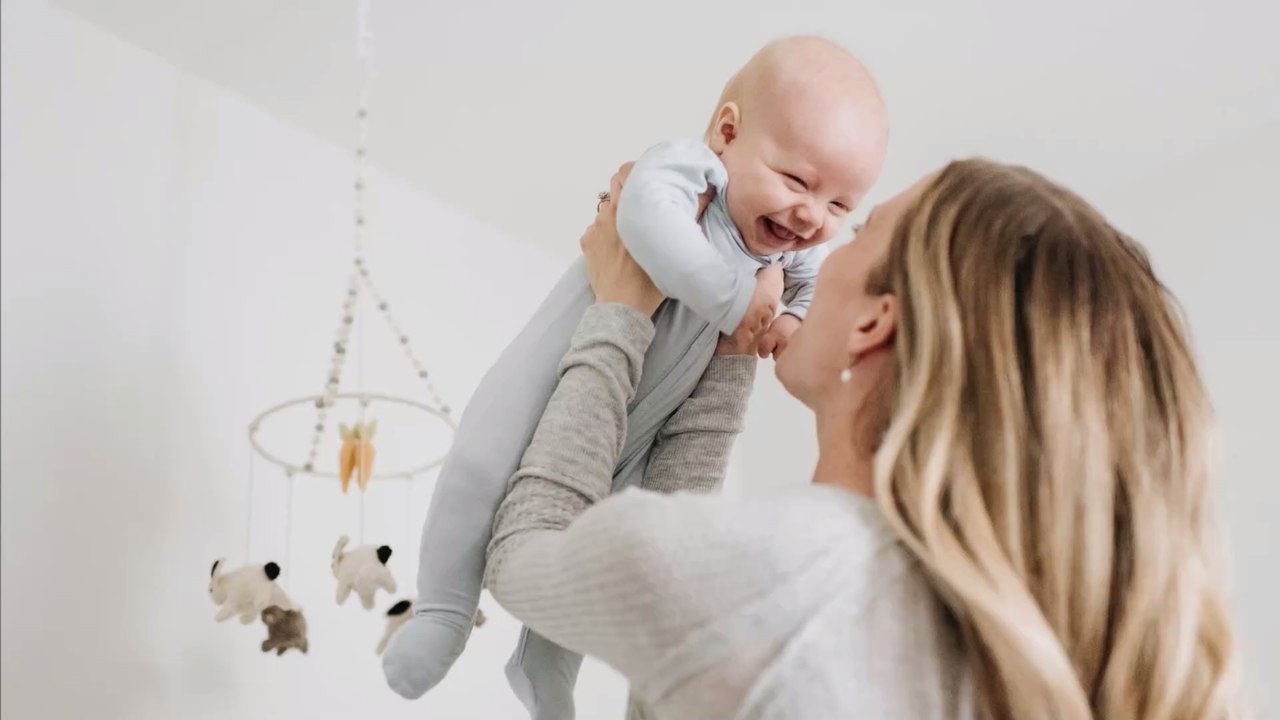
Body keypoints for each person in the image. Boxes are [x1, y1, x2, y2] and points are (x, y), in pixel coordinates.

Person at [483, 158, 1245, 719]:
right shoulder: (1001, 643)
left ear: (875, 321)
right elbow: (690, 605)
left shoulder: (773, 577)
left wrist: (618, 311)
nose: (819, 240)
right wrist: (729, 355)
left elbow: (525, 554)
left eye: (860, 229)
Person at [383, 36, 889, 718]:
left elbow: (805, 287)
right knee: (480, 463)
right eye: (797, 182)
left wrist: (788, 320)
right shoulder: (691, 174)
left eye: (839, 208)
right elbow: (643, 220)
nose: (811, 217)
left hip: (641, 423)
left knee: (602, 532)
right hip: (557, 371)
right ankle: (443, 611)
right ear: (727, 133)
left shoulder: (790, 251)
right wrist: (736, 302)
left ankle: (545, 663)